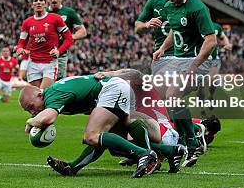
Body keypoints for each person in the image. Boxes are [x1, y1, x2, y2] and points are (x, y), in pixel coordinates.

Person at [19, 72, 159, 178]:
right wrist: (32, 121)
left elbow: (48, 119)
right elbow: (40, 116)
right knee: (112, 146)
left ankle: (144, 154)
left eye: (31, 106)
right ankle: (171, 151)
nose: (32, 111)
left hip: (111, 89)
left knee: (92, 136)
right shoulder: (49, 96)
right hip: (111, 89)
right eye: (28, 111)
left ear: (39, 95)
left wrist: (29, 122)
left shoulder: (52, 94)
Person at [153, 0, 216, 166]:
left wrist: (194, 65)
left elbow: (211, 40)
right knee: (161, 97)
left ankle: (191, 141)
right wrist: (163, 48)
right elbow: (175, 28)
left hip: (197, 62)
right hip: (177, 61)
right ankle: (188, 136)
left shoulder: (197, 8)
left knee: (173, 96)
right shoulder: (170, 4)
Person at [15, 0, 73, 89]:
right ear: (32, 5)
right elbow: (21, 42)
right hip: (33, 63)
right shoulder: (27, 23)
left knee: (42, 93)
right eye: (35, 1)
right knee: (37, 96)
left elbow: (69, 38)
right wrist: (20, 48)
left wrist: (58, 51)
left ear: (45, 4)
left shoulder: (55, 19)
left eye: (41, 0)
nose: (38, 2)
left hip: (50, 63)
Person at [47, 0, 87, 79]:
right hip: (45, 53)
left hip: (61, 53)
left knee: (58, 81)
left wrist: (69, 37)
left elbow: (83, 32)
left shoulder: (69, 12)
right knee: (45, 82)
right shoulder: (43, 13)